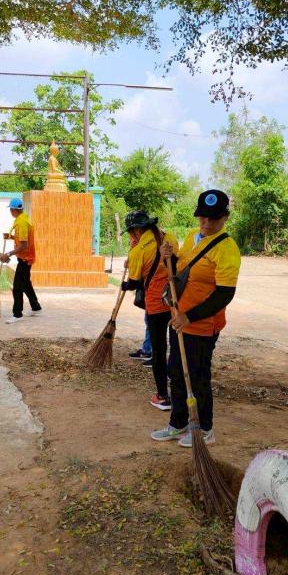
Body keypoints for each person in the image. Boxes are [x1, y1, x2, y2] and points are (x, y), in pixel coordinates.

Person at [151, 190, 240, 447]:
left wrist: (190, 316)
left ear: (225, 217)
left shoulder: (227, 249)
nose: (207, 223)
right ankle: (178, 423)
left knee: (198, 376)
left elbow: (224, 294)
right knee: (177, 372)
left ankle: (204, 429)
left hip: (201, 324)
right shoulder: (192, 237)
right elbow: (181, 270)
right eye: (203, 217)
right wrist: (169, 256)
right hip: (178, 318)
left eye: (214, 218)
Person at [121, 211, 179, 410]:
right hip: (175, 300)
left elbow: (134, 282)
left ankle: (162, 395)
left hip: (156, 303)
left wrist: (125, 284)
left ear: (136, 230)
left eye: (130, 232)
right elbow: (177, 265)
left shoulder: (139, 250)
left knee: (159, 350)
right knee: (176, 347)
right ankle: (178, 392)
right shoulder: (170, 238)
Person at [0, 198, 42, 323]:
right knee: (26, 284)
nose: (10, 212)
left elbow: (24, 245)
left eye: (11, 210)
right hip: (26, 258)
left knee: (17, 287)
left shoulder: (22, 223)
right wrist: (11, 237)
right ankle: (36, 307)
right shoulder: (24, 219)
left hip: (25, 259)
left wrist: (8, 254)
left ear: (13, 210)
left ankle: (17, 314)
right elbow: (23, 239)